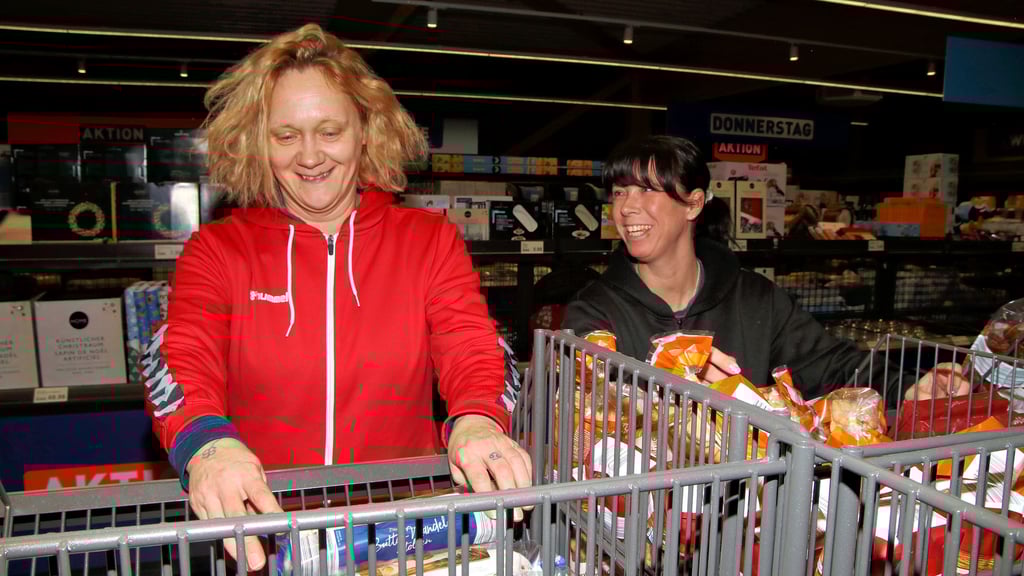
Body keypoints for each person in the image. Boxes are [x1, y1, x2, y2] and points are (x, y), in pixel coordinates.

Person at [145, 24, 532, 572]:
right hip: (268, 535)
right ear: (260, 140)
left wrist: (476, 419)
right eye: (285, 135)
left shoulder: (427, 240)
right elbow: (183, 352)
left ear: (366, 133)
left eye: (329, 132)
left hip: (404, 536)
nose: (309, 156)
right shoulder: (218, 249)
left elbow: (469, 340)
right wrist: (208, 446)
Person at [561, 135, 969, 404]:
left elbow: (831, 365)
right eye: (619, 193)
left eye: (647, 190)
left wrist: (913, 387)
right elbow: (589, 407)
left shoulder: (755, 299)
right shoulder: (595, 312)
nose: (626, 208)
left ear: (694, 204)